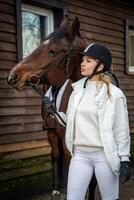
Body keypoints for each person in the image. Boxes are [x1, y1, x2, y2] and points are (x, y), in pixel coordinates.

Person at [44, 43, 131, 200]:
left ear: (101, 65)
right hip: (79, 155)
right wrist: (54, 112)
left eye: (88, 61)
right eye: (82, 60)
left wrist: (124, 159)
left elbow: (121, 130)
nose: (82, 64)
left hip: (104, 156)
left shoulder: (115, 94)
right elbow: (69, 121)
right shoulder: (76, 91)